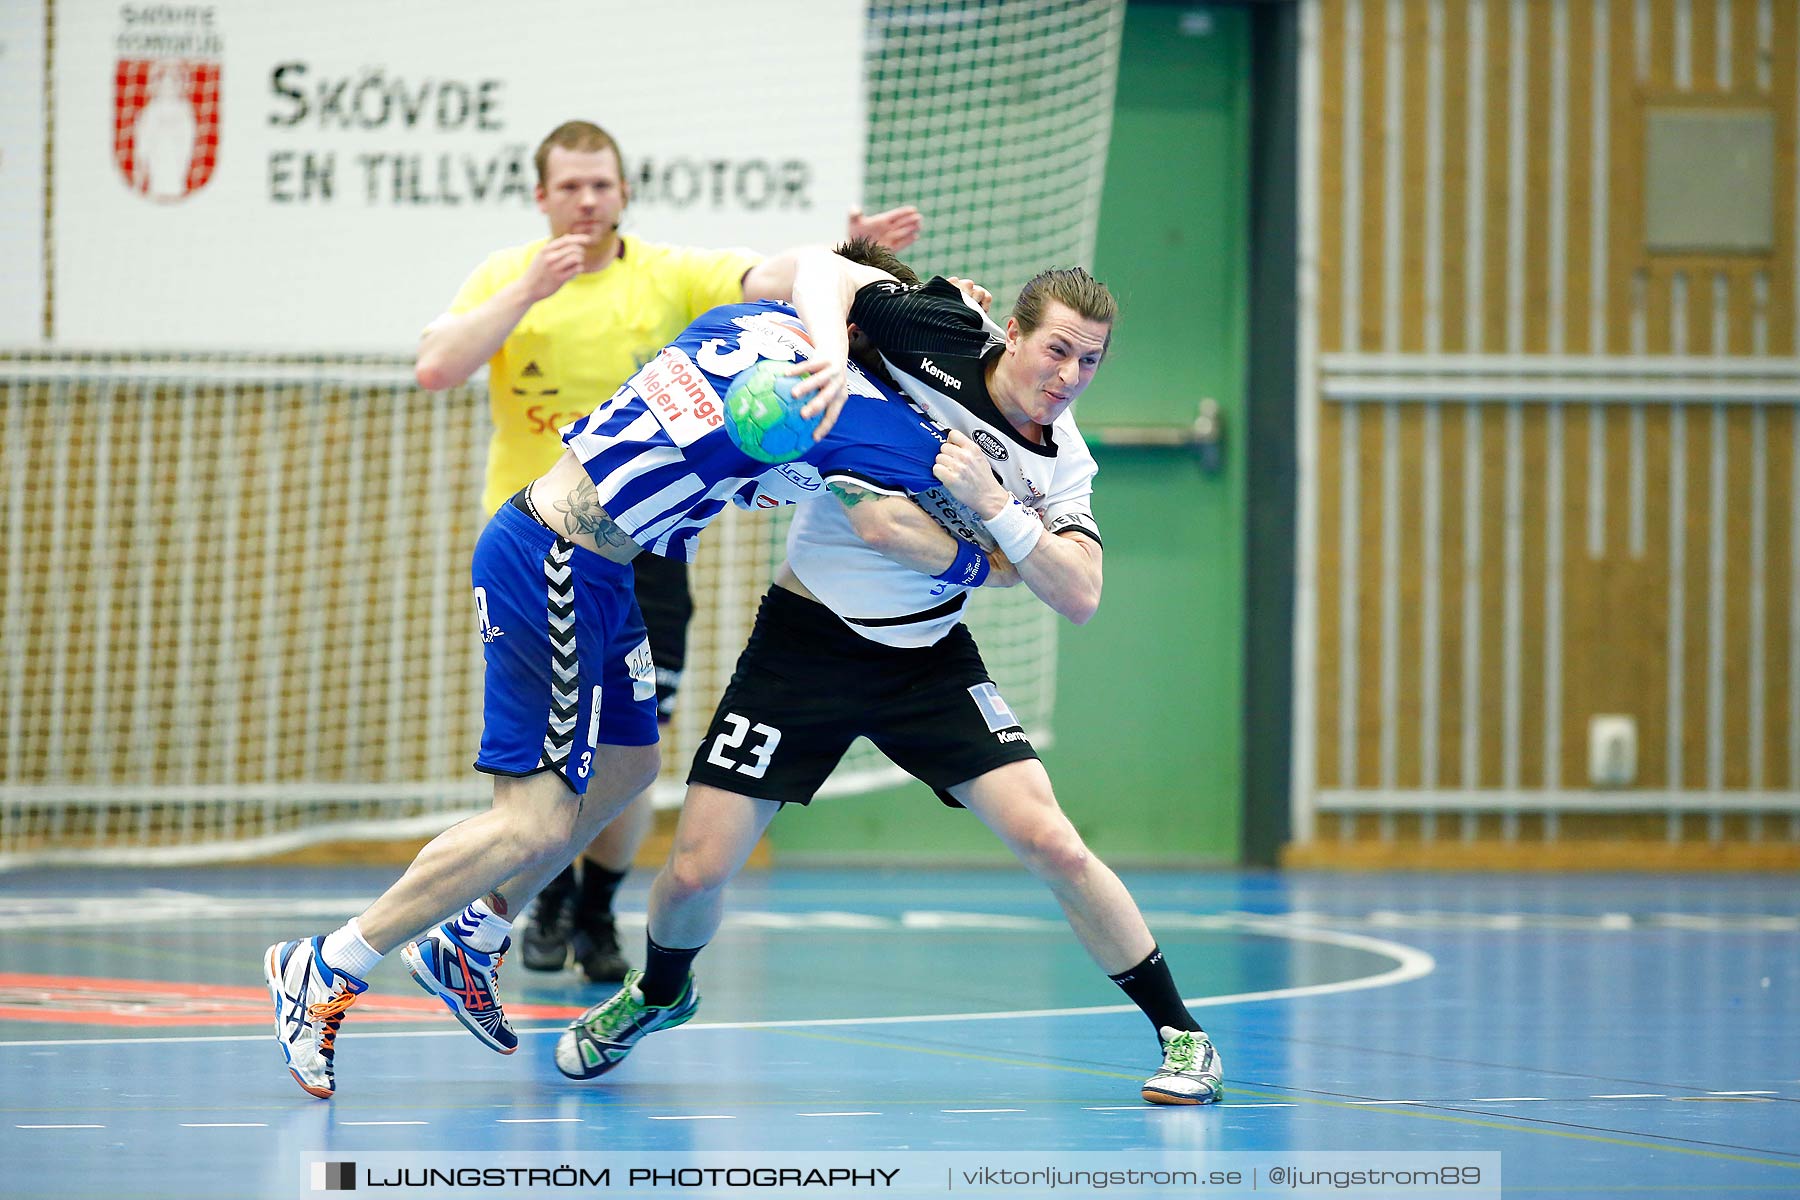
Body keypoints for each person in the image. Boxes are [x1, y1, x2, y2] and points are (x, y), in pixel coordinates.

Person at [265, 248, 1007, 1099]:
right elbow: (968, 477)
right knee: (532, 823)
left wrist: (898, 307)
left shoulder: (749, 323)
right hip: (552, 559)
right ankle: (327, 963)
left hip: (606, 566)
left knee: (629, 764)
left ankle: (470, 936)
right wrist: (965, 349)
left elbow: (810, 267)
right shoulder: (855, 408)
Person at [552, 249, 1225, 1105]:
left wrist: (995, 510)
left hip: (929, 660)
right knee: (692, 873)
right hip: (804, 644)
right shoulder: (936, 330)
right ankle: (658, 993)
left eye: (1090, 360)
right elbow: (822, 277)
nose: (1069, 376)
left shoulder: (1061, 464)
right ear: (1009, 333)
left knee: (1052, 838)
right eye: (1057, 349)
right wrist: (836, 353)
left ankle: (1182, 1035)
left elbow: (1080, 593)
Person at [414, 120, 922, 983]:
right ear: (541, 197)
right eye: (569, 187)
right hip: (549, 533)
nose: (587, 201)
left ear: (623, 192)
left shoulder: (665, 272)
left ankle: (593, 906)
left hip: (647, 547)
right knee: (550, 765)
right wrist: (524, 294)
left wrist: (852, 274)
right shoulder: (508, 276)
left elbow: (773, 276)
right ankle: (510, 907)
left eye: (601, 185)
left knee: (634, 748)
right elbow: (435, 367)